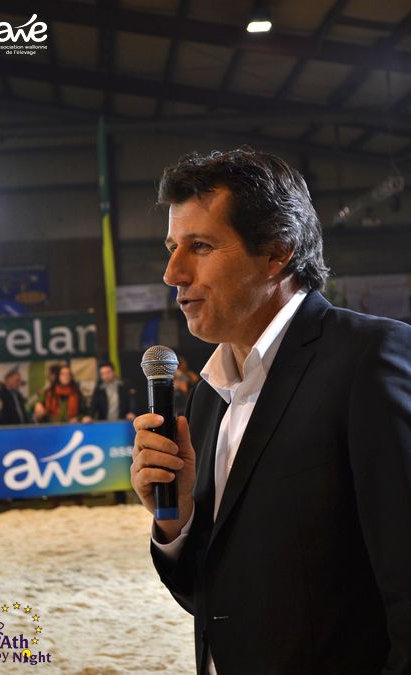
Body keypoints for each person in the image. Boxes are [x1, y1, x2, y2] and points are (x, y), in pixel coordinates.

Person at [131, 148, 411, 675]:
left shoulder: (370, 361)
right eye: (172, 248)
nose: (173, 273)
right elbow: (215, 600)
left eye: (200, 246)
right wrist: (177, 520)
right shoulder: (209, 395)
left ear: (277, 253)